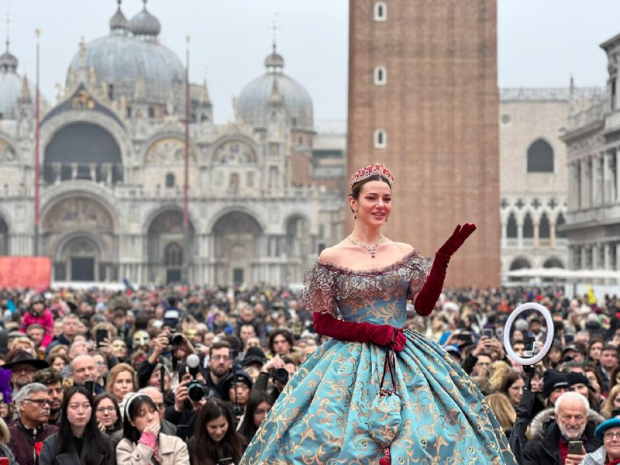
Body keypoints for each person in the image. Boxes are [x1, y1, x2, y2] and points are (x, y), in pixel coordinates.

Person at [239, 164, 515, 463]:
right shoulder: (332, 256)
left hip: (403, 353)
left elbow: (423, 307)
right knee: (331, 440)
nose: (381, 205)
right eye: (372, 198)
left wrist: (442, 260)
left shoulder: (403, 251)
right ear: (353, 203)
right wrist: (370, 331)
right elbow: (322, 322)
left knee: (434, 436)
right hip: (348, 360)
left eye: (387, 198)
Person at [39, 386, 115, 465]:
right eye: (74, 406)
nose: (81, 411)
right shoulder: (51, 444)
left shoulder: (104, 441)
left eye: (86, 406)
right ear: (65, 410)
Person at [524, 391, 604, 465]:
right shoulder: (536, 447)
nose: (572, 423)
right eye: (567, 417)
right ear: (557, 417)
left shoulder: (603, 444)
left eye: (578, 417)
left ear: (586, 419)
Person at [116, 393, 190, 465]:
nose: (150, 417)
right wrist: (146, 444)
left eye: (152, 411)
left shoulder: (176, 443)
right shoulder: (124, 447)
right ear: (132, 422)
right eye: (142, 414)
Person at [8, 383, 58, 465]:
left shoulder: (55, 433)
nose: (47, 406)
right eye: (40, 401)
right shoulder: (8, 436)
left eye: (48, 402)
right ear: (22, 405)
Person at [189, 399, 246, 465]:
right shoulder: (193, 447)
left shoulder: (240, 443)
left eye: (222, 426)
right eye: (213, 427)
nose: (218, 432)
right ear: (204, 426)